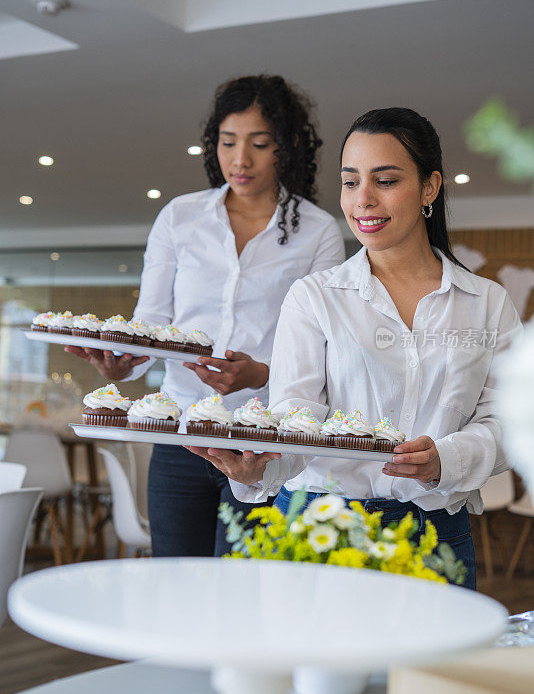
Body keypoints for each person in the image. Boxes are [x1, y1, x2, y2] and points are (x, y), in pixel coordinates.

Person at [188, 107, 522, 590]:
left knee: (425, 669)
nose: (363, 200)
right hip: (319, 528)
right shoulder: (314, 296)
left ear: (430, 188)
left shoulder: (487, 303)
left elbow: (507, 421)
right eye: (350, 182)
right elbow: (297, 414)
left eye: (385, 180)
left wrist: (443, 459)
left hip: (435, 538)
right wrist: (259, 467)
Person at [66, 74, 345, 557]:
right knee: (175, 581)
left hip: (263, 442)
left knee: (248, 590)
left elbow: (326, 349)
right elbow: (151, 319)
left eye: (259, 143)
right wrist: (125, 362)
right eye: (228, 142)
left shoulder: (318, 232)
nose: (240, 159)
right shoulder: (180, 217)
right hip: (178, 436)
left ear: (289, 145)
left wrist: (260, 373)